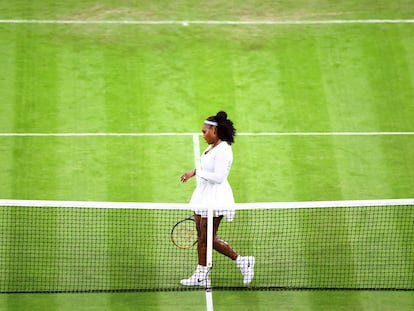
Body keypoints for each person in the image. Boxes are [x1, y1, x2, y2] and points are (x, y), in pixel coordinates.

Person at [180, 111, 255, 287]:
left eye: (205, 131)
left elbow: (219, 177)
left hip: (216, 199)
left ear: (215, 131)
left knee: (207, 238)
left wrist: (196, 172)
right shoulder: (211, 147)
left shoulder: (224, 150)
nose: (203, 134)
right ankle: (201, 274)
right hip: (203, 196)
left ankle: (242, 261)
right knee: (203, 236)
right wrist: (195, 173)